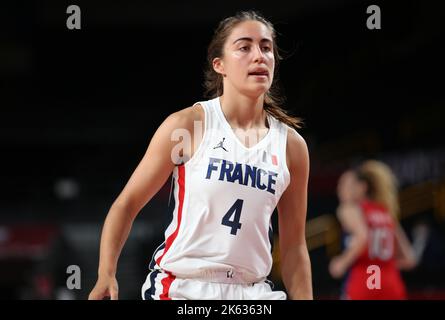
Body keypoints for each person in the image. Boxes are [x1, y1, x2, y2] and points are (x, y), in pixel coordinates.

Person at [88, 11, 312, 300]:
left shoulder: (291, 146)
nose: (259, 56)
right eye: (244, 47)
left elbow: (294, 246)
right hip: (183, 288)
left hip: (253, 293)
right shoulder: (188, 125)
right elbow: (126, 204)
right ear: (219, 65)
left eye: (266, 47)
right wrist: (106, 272)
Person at [329, 160, 417, 299]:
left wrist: (341, 263)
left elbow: (362, 236)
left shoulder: (350, 209)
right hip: (391, 284)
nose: (340, 189)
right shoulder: (386, 213)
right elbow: (410, 259)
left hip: (364, 283)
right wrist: (383, 265)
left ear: (362, 187)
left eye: (347, 185)